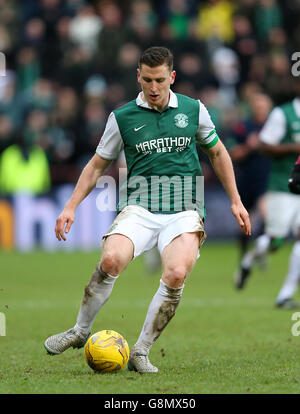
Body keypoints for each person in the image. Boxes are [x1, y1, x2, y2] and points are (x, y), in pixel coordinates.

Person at [44, 46, 251, 373]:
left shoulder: (193, 110)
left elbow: (218, 153)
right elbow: (98, 165)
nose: (153, 88)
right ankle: (80, 331)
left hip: (185, 208)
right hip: (139, 206)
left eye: (160, 80)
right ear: (138, 76)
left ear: (171, 77)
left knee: (176, 273)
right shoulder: (122, 117)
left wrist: (235, 200)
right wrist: (70, 206)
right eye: (147, 80)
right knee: (111, 259)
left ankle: (140, 351)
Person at [234, 78, 300, 309]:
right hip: (283, 185)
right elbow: (264, 145)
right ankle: (249, 259)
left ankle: (285, 295)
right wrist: (294, 148)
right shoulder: (283, 114)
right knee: (275, 241)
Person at [227, 92, 272, 257]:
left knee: (267, 216)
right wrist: (249, 146)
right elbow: (232, 153)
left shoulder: (274, 128)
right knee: (245, 224)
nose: (260, 110)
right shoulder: (243, 128)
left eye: (263, 107)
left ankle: (260, 250)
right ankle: (245, 256)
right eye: (257, 106)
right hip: (246, 181)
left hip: (266, 181)